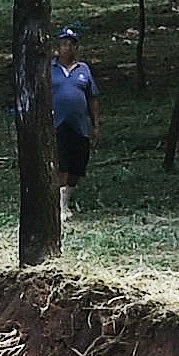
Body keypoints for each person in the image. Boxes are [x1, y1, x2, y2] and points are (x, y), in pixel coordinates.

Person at [51, 26, 98, 218]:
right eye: (63, 44)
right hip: (57, 123)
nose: (67, 48)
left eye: (71, 44)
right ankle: (60, 206)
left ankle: (67, 198)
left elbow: (93, 97)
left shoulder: (84, 70)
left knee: (78, 165)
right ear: (58, 47)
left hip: (80, 125)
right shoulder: (50, 70)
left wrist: (96, 125)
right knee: (62, 162)